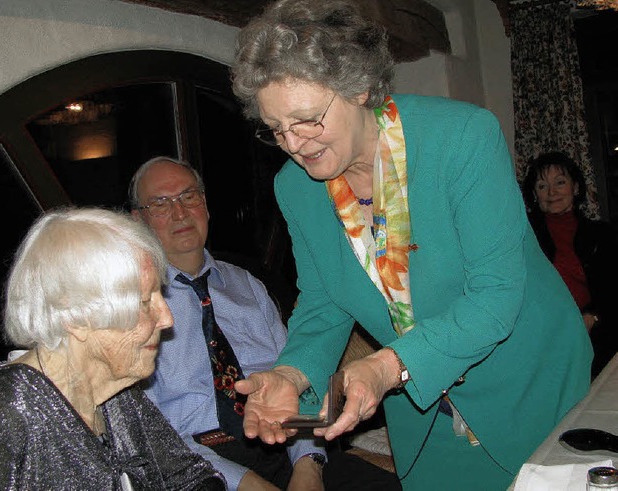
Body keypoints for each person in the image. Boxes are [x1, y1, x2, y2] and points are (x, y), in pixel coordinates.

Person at [229, 0, 594, 489]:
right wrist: (292, 373)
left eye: (307, 119)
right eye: (276, 128)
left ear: (359, 87)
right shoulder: (294, 187)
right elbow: (323, 302)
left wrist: (385, 367)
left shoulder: (462, 138)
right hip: (424, 404)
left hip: (526, 381)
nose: (295, 143)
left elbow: (495, 296)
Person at [129, 156, 399, 491]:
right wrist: (244, 483)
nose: (180, 212)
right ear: (137, 220)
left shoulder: (250, 287)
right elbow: (147, 431)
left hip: (284, 444)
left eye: (189, 196)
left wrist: (308, 464)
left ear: (206, 207)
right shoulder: (131, 305)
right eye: (160, 203)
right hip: (195, 465)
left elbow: (297, 385)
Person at [0, 207, 226, 490]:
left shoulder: (115, 393)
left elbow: (190, 477)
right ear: (75, 317)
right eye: (145, 302)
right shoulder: (5, 415)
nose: (167, 319)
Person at [522, 151, 618, 377]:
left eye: (560, 182)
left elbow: (613, 290)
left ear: (575, 188)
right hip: (542, 338)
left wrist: (593, 316)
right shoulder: (524, 237)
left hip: (595, 332)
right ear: (535, 194)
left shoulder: (601, 234)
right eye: (542, 186)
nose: (552, 192)